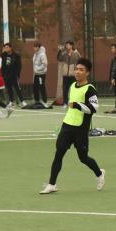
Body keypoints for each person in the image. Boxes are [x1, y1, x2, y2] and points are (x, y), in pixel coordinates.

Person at [40, 58, 105, 194]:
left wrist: (77, 105)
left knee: (83, 158)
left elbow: (94, 108)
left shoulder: (90, 89)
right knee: (59, 153)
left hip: (81, 128)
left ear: (87, 73)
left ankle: (99, 174)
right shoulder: (72, 86)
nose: (77, 72)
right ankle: (52, 184)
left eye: (81, 70)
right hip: (67, 125)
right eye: (76, 69)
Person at [57, 42, 80, 106]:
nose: (67, 46)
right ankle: (65, 103)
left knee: (74, 89)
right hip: (65, 75)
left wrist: (77, 71)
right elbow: (59, 58)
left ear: (71, 46)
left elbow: (80, 62)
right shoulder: (64, 53)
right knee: (65, 89)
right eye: (66, 45)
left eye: (68, 45)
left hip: (73, 75)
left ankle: (75, 102)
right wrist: (60, 51)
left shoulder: (76, 53)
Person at [32, 42, 48, 107]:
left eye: (36, 47)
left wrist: (37, 69)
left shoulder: (42, 54)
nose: (34, 48)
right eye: (34, 47)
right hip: (36, 74)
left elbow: (45, 64)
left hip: (41, 74)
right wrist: (35, 70)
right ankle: (37, 101)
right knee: (35, 87)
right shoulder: (35, 54)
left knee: (41, 87)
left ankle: (44, 101)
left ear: (38, 47)